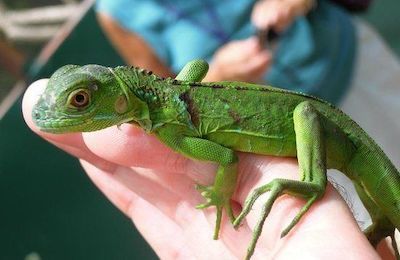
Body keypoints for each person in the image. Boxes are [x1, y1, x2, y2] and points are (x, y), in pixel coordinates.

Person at [22, 80, 395, 259]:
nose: (72, 113)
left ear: (120, 98)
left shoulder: (176, 134)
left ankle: (315, 183)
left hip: (323, 127)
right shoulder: (165, 116)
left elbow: (227, 159)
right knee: (381, 205)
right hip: (340, 139)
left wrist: (219, 196)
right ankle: (381, 224)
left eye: (80, 101)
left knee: (310, 121)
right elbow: (197, 68)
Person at [95, 0, 356, 104]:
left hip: (348, 63)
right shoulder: (116, 13)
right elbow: (166, 100)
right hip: (282, 118)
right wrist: (220, 73)